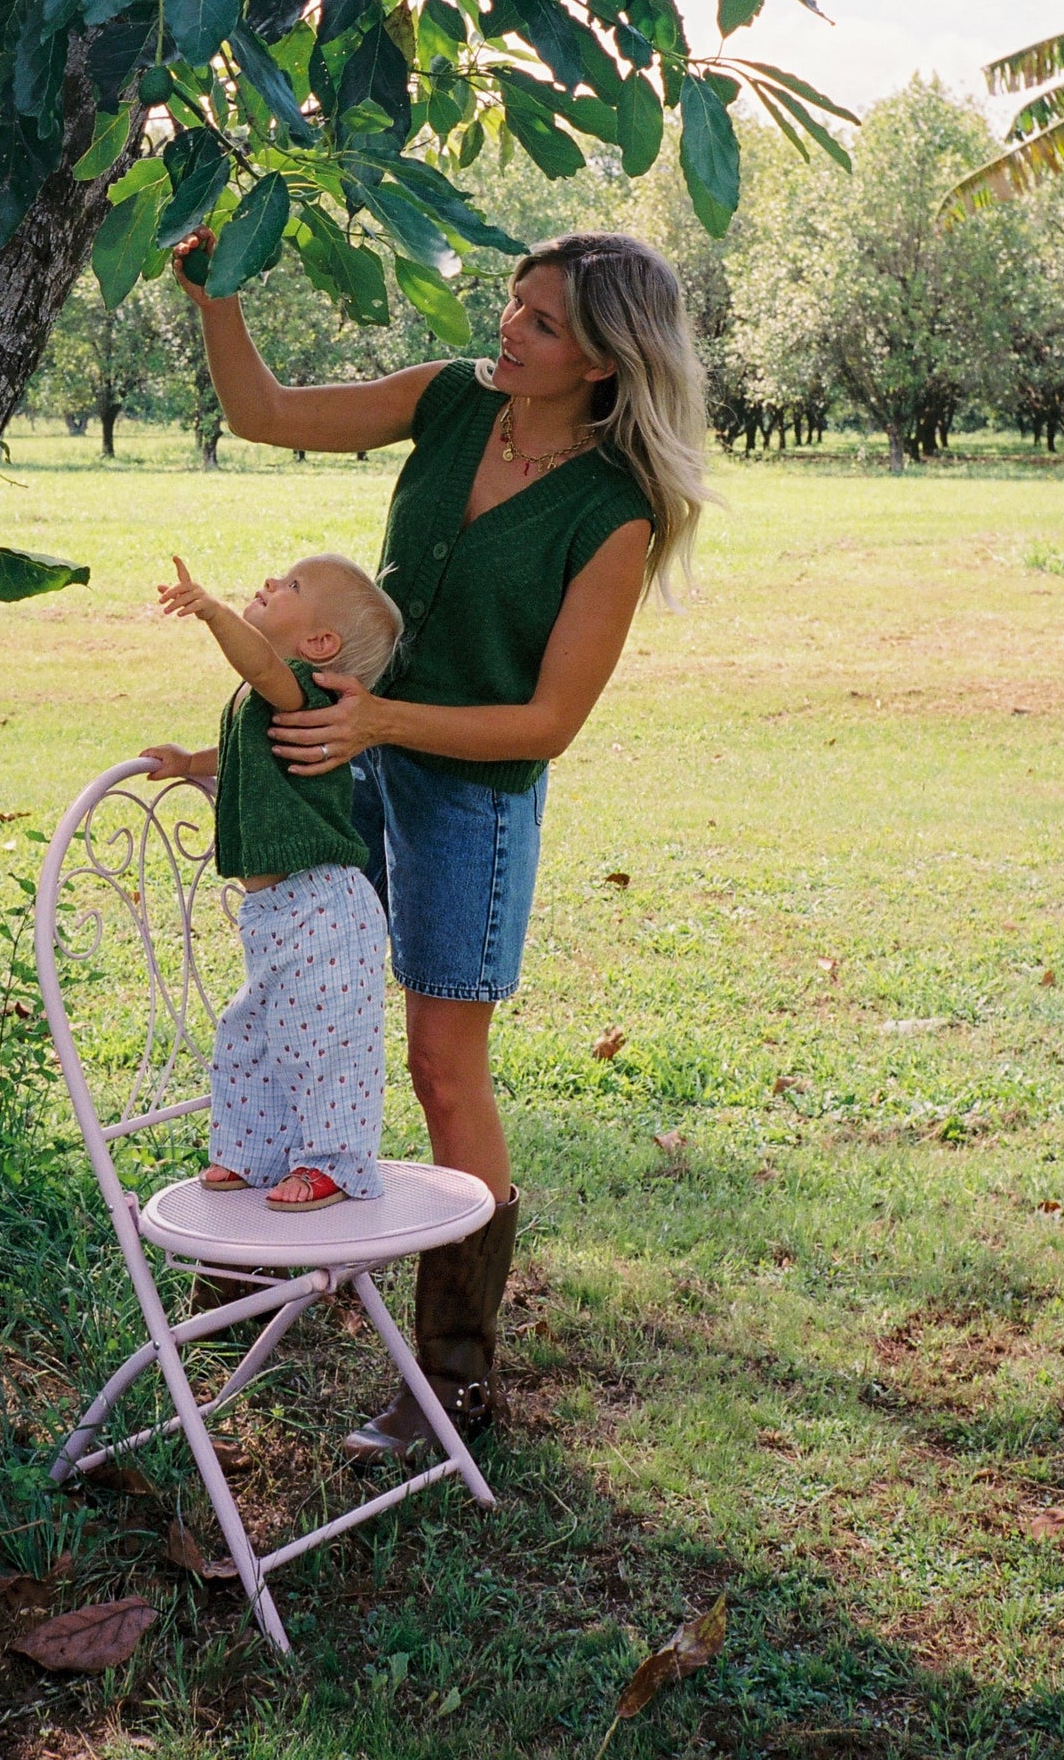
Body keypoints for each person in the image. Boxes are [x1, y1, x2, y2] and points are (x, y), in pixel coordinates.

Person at [171, 226, 709, 1456]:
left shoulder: (614, 512)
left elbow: (550, 719)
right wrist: (220, 297)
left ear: (604, 363)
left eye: (540, 326)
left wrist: (384, 720)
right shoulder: (449, 400)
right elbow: (259, 413)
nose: (506, 335)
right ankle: (244, 1298)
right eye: (510, 307)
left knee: (439, 1069)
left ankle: (452, 1378)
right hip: (340, 755)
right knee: (290, 1001)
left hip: (472, 791)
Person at [141, 552, 402, 1210]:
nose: (270, 583)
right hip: (277, 912)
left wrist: (212, 610)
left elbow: (257, 663)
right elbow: (242, 753)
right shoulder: (270, 702)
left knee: (322, 1041)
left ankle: (335, 1162)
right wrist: (187, 762)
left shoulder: (298, 687)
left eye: (291, 585)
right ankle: (253, 1151)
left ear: (319, 644)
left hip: (323, 906)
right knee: (252, 1033)